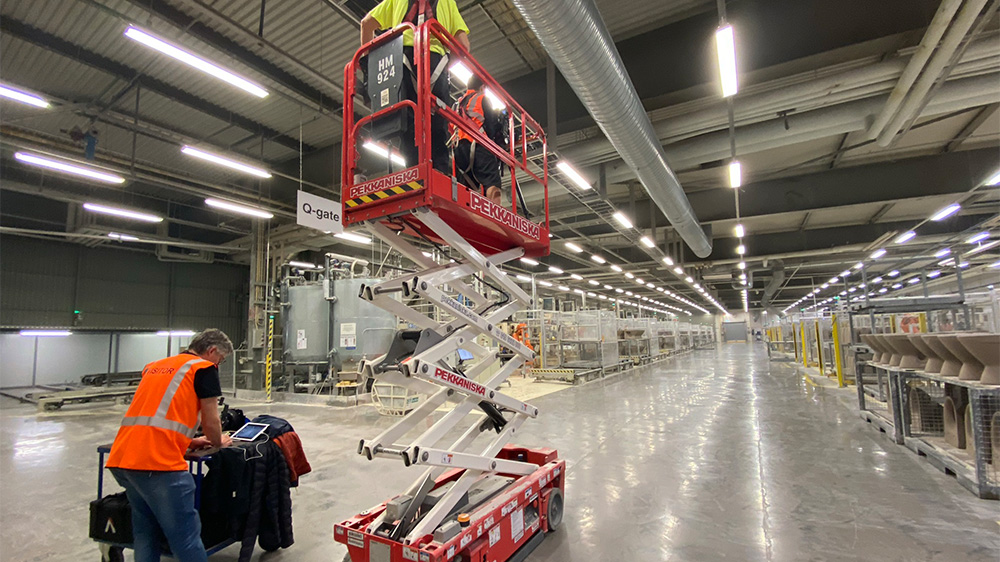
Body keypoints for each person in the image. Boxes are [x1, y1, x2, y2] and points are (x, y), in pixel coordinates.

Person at [105, 329, 235, 562]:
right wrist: (219, 441)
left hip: (123, 458)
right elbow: (211, 419)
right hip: (157, 464)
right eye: (221, 359)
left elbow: (156, 413)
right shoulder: (202, 368)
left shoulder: (155, 366)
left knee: (146, 532)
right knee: (186, 538)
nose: (219, 364)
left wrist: (188, 440)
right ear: (212, 351)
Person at [360, 0, 471, 174]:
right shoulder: (446, 1)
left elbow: (366, 24)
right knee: (437, 124)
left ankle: (413, 173)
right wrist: (444, 67)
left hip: (402, 63)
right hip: (436, 63)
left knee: (408, 124)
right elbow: (463, 45)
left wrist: (369, 69)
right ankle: (439, 172)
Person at [453, 74, 503, 205]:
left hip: (459, 150)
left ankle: (466, 217)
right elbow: (491, 126)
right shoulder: (482, 98)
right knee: (492, 183)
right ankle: (494, 221)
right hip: (479, 146)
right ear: (482, 87)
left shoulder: (456, 105)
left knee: (467, 187)